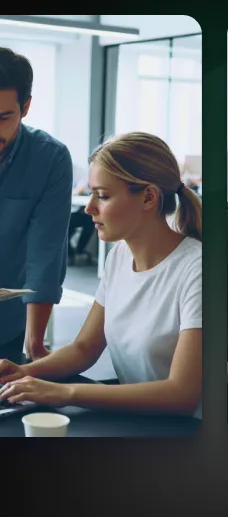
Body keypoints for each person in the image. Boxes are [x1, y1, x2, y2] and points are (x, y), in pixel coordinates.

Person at [0, 132, 202, 420]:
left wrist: (64, 393)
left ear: (148, 197)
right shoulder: (119, 257)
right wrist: (24, 372)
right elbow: (84, 348)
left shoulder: (197, 270)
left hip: (189, 437)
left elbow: (181, 395)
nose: (89, 208)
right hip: (137, 424)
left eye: (103, 196)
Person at [0, 47, 73, 364]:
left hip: (7, 324)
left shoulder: (50, 158)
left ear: (25, 107)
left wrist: (35, 345)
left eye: (3, 118)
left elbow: (45, 255)